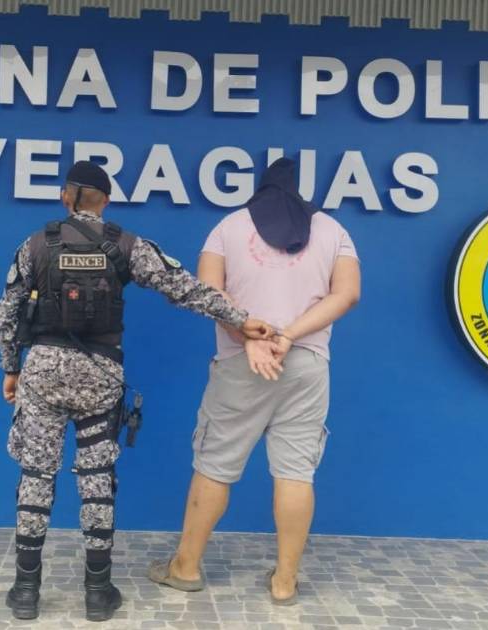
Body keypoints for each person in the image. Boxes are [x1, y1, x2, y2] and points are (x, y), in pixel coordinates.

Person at [0, 160, 273, 622]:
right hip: (100, 375)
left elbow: (7, 311)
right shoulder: (125, 245)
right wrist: (242, 320)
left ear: (65, 196)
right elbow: (183, 287)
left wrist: (11, 367)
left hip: (41, 373)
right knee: (97, 478)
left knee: (36, 474)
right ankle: (97, 592)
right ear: (105, 201)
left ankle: (26, 590)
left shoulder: (36, 245)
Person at [147, 157, 361, 605]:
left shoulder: (228, 227)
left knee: (215, 464)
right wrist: (289, 335)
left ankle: (185, 567)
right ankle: (285, 581)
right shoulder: (332, 230)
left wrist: (248, 335)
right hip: (306, 364)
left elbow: (208, 294)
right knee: (296, 472)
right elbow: (347, 294)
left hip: (240, 363)